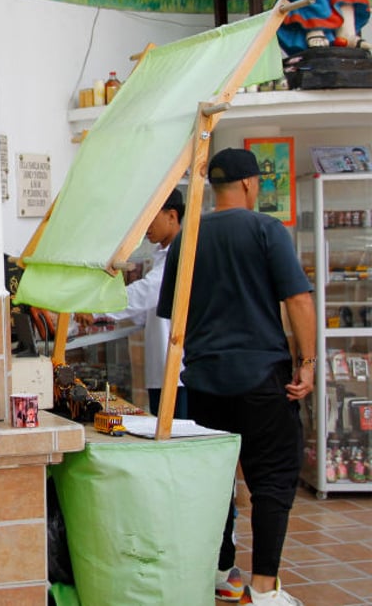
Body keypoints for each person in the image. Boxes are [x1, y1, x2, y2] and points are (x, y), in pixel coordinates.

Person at [156, 148, 316, 606]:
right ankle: (264, 588)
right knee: (272, 479)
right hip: (263, 378)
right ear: (250, 185)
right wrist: (305, 364)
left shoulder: (188, 238)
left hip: (204, 381)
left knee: (216, 479)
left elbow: (171, 313)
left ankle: (221, 571)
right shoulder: (266, 229)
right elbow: (299, 301)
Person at [75, 189, 187, 419]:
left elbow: (146, 294)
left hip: (178, 372)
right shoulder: (159, 256)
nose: (146, 227)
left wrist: (96, 308)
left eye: (151, 218)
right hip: (160, 369)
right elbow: (145, 312)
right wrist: (100, 318)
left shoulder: (180, 255)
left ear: (172, 216)